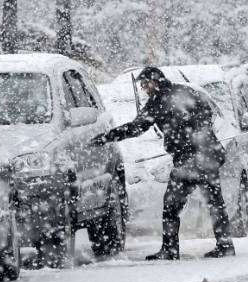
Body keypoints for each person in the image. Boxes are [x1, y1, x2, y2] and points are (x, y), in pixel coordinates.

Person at [89, 67, 235, 260]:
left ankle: (170, 249)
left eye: (145, 85)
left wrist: (106, 137)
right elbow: (208, 112)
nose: (144, 89)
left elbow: (136, 128)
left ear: (154, 82)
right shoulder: (186, 91)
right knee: (215, 203)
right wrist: (195, 129)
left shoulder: (158, 101)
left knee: (170, 206)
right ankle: (225, 245)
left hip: (188, 160)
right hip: (208, 155)